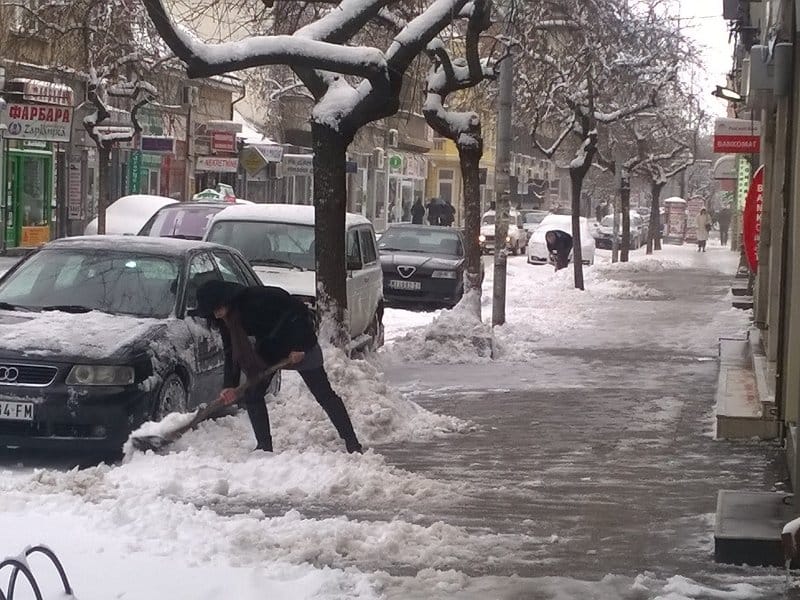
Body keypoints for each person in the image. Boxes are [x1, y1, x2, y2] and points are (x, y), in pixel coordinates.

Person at [195, 280, 364, 454]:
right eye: (212, 313)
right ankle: (264, 448)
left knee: (323, 393)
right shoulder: (227, 319)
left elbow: (300, 314)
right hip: (270, 348)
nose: (216, 316)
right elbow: (231, 350)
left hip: (300, 342)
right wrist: (229, 384)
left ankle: (352, 442)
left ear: (226, 300)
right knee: (252, 394)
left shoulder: (259, 298)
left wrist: (300, 348)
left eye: (216, 309)